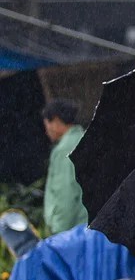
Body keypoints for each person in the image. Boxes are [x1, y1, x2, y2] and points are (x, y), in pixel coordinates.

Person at [41, 99, 88, 235]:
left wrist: (59, 233)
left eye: (47, 124)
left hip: (75, 231)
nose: (46, 131)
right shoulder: (84, 138)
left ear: (56, 121)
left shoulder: (64, 149)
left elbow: (65, 193)